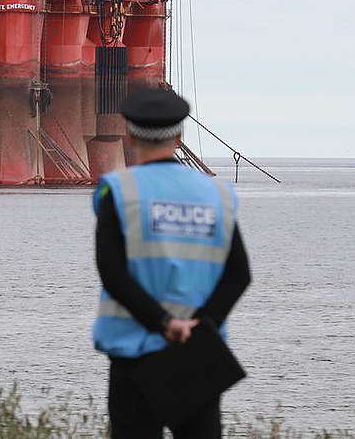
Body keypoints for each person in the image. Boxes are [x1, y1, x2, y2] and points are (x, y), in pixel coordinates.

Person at [93, 87, 252, 438]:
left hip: (135, 349)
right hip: (197, 350)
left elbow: (113, 275)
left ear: (130, 135)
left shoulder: (117, 191)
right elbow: (239, 275)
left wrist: (164, 323)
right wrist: (197, 326)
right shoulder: (219, 195)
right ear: (179, 136)